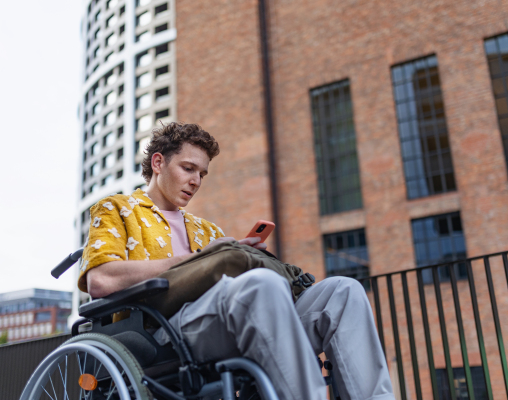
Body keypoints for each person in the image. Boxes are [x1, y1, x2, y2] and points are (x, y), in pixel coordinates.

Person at [79, 122, 395, 400]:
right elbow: (101, 280)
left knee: (343, 291)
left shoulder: (207, 229)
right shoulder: (116, 209)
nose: (196, 181)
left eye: (202, 173)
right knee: (262, 284)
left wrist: (236, 252)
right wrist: (192, 260)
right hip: (162, 327)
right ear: (158, 163)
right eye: (188, 169)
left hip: (238, 313)